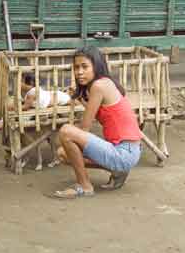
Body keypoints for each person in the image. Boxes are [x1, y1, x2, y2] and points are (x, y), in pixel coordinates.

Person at [53, 46, 142, 198]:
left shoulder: (98, 86)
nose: (79, 72)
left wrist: (66, 137)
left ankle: (85, 186)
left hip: (124, 152)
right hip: (130, 150)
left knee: (66, 131)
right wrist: (80, 98)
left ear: (97, 66)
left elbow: (85, 128)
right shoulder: (105, 83)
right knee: (63, 154)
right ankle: (117, 170)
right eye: (76, 67)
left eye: (84, 66)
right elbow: (102, 116)